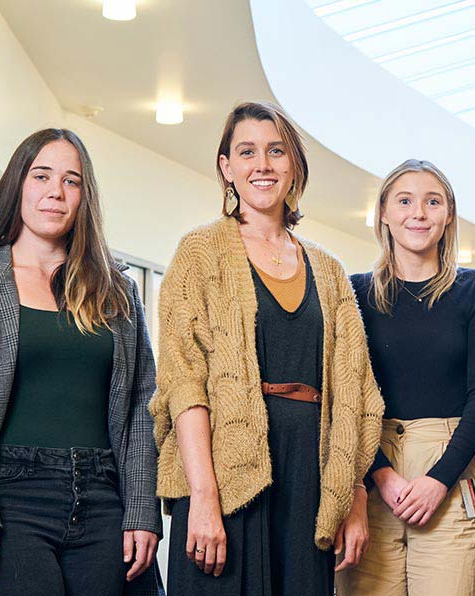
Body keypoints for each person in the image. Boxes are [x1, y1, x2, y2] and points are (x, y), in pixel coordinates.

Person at [151, 101, 385, 595]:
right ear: (226, 167)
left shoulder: (330, 270)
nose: (262, 165)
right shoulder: (198, 253)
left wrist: (354, 495)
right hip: (225, 476)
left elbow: (356, 395)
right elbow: (184, 383)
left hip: (310, 481)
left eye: (276, 151)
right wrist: (204, 498)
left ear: (293, 165)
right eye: (247, 152)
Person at [0, 129, 162, 596]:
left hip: (103, 501)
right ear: (18, 185)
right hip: (10, 500)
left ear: (84, 197)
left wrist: (141, 508)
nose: (55, 191)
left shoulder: (118, 293)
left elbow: (142, 405)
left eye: (71, 181)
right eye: (42, 176)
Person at [340, 160, 475, 596]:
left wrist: (439, 479)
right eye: (405, 200)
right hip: (371, 474)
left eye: (433, 201)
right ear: (384, 214)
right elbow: (346, 393)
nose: (419, 213)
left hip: (451, 467)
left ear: (448, 214)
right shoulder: (354, 292)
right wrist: (381, 474)